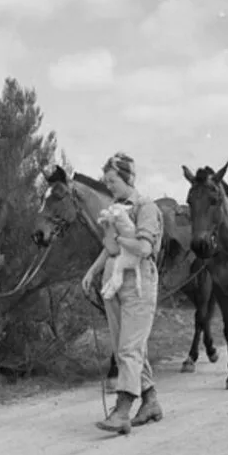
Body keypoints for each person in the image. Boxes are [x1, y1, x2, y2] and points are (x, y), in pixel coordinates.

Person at [81, 152, 164, 434]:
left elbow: (143, 248)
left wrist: (117, 236)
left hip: (138, 283)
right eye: (106, 181)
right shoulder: (115, 206)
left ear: (128, 177)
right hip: (113, 283)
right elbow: (110, 248)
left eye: (113, 180)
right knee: (123, 347)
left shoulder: (146, 207)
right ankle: (150, 401)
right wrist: (92, 271)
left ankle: (122, 411)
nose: (109, 185)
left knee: (129, 348)